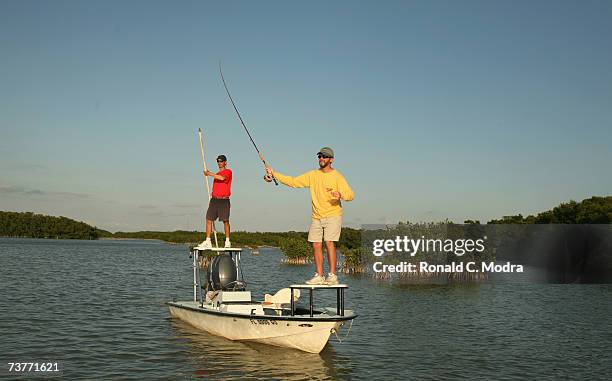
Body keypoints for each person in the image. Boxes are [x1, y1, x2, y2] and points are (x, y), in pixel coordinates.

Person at [265, 147, 354, 285]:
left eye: (324, 157)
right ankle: (319, 275)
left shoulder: (337, 176)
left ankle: (332, 276)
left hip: (333, 215)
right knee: (316, 244)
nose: (321, 159)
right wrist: (274, 174)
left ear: (331, 159)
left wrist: (341, 195)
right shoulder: (313, 175)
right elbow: (293, 181)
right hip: (316, 216)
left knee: (329, 242)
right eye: (319, 156)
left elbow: (351, 195)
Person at [197, 154, 233, 249]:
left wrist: (209, 174)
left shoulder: (228, 172)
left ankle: (227, 241)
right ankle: (208, 240)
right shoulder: (216, 174)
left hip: (224, 200)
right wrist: (212, 195)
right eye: (218, 161)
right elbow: (217, 185)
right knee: (209, 219)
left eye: (221, 161)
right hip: (214, 200)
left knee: (225, 221)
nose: (219, 163)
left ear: (225, 162)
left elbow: (222, 178)